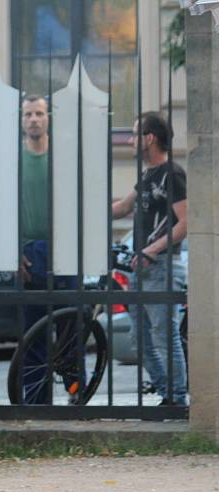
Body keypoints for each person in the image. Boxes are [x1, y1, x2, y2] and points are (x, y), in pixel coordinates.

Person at [112, 112, 188, 405]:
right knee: (139, 339)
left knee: (163, 336)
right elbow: (121, 208)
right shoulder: (147, 176)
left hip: (162, 266)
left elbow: (184, 222)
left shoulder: (173, 173)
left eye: (134, 135)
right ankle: (167, 392)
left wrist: (151, 250)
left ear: (150, 138)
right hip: (139, 268)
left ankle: (177, 400)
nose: (130, 141)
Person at [19, 94, 78, 404]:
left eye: (39, 113)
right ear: (21, 119)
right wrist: (13, 251)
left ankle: (75, 391)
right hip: (30, 251)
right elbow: (5, 207)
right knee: (34, 332)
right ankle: (37, 400)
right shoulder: (15, 159)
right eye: (28, 114)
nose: (33, 119)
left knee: (71, 327)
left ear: (48, 118)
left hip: (66, 248)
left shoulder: (64, 157)